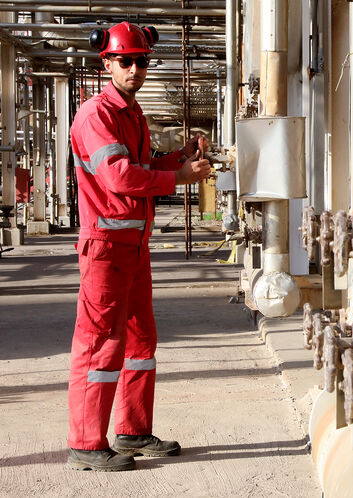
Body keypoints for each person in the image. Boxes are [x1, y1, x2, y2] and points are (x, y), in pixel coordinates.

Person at [66, 21, 211, 472]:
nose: (134, 69)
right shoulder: (96, 115)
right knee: (101, 344)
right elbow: (119, 176)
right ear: (107, 63)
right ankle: (86, 444)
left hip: (134, 246)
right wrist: (178, 178)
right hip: (106, 247)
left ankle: (133, 431)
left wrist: (179, 158)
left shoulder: (132, 113)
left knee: (140, 340)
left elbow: (143, 165)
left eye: (141, 61)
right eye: (125, 61)